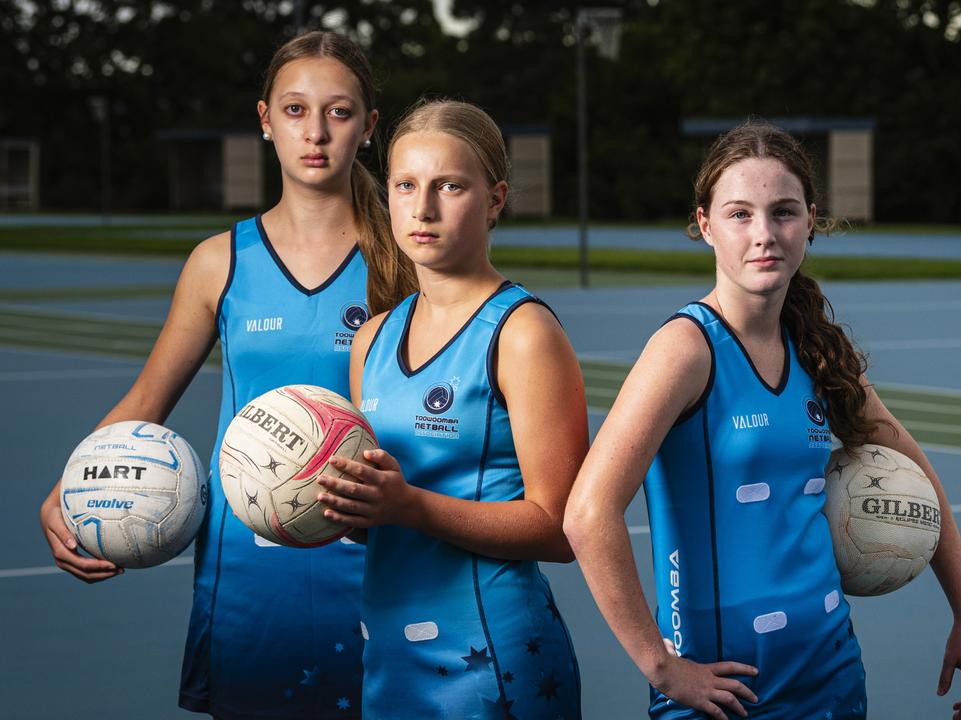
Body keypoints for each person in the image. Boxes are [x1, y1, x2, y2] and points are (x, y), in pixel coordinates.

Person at [37, 31, 413, 718]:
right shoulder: (220, 261)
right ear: (265, 120)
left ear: (368, 128)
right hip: (245, 570)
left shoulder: (405, 257)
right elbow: (147, 400)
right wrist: (71, 486)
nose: (317, 132)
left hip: (375, 559)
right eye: (296, 111)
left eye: (339, 111)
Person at [563, 122, 961, 720]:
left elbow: (916, 474)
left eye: (783, 212)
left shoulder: (817, 351)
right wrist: (662, 668)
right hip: (720, 691)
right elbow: (587, 513)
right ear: (706, 224)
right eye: (740, 214)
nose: (764, 234)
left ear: (811, 220)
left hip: (829, 669)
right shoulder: (687, 349)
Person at [314, 99, 585, 719]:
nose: (423, 207)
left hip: (491, 656)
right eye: (406, 185)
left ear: (494, 199)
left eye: (450, 186)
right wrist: (324, 500)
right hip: (387, 650)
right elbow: (374, 519)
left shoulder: (522, 332)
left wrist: (408, 504)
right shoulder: (372, 339)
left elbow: (559, 526)